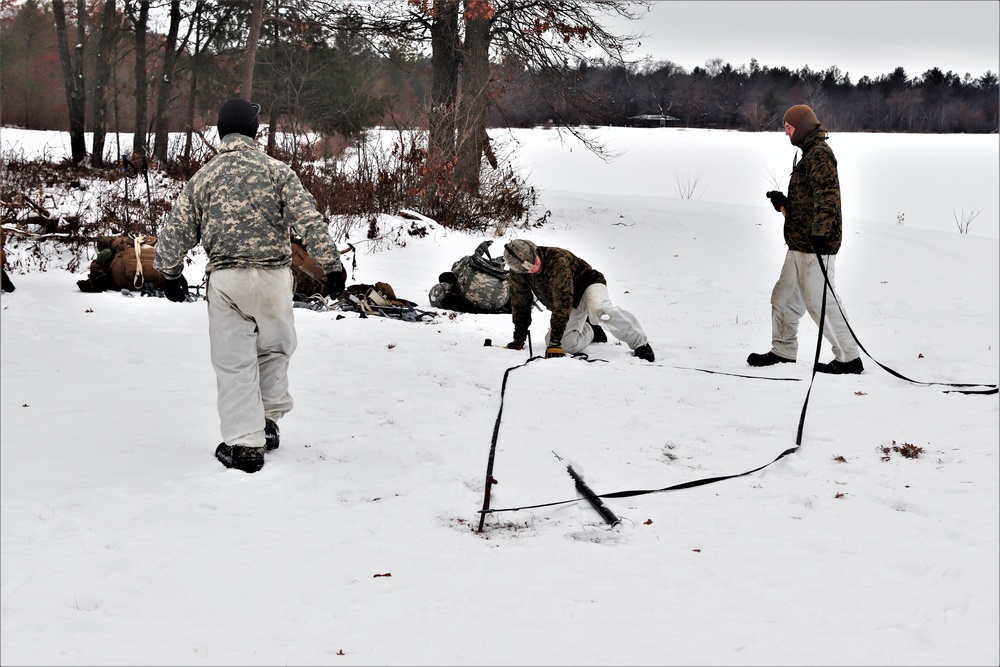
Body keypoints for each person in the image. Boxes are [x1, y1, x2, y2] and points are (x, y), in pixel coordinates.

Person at [154, 98, 346, 473]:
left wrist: (171, 274)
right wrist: (332, 265)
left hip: (228, 283)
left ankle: (245, 446)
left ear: (222, 131)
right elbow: (308, 219)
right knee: (274, 350)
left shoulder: (203, 177)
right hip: (274, 279)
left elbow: (173, 235)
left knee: (235, 363)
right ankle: (269, 423)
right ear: (254, 130)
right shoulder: (278, 171)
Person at [748, 104, 862, 374]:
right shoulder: (808, 153)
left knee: (819, 302)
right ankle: (783, 351)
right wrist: (783, 204)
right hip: (799, 243)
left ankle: (849, 358)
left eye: (788, 128)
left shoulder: (820, 155)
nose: (786, 134)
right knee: (783, 298)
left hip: (815, 245)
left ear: (800, 127)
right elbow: (809, 200)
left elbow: (828, 197)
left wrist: (821, 234)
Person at [501, 239, 654, 362]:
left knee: (601, 313)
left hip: (588, 287)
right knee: (565, 345)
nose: (535, 267)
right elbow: (521, 304)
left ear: (535, 250)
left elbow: (563, 300)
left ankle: (639, 343)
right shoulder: (518, 276)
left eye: (534, 261)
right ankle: (591, 330)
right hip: (569, 304)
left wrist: (555, 340)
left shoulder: (557, 259)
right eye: (528, 268)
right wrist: (519, 337)